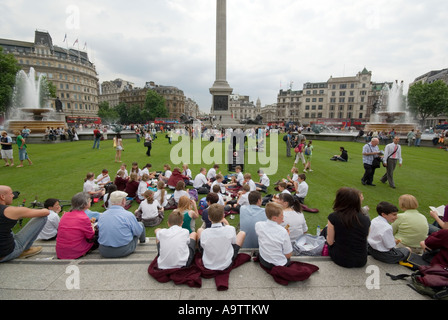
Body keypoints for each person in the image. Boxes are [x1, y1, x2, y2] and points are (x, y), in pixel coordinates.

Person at [0, 185, 49, 262]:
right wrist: (21, 212)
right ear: (2, 197)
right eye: (11, 193)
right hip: (6, 254)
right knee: (42, 217)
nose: (13, 195)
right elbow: (45, 212)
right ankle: (25, 250)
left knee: (5, 226)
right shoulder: (11, 211)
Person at [325, 187, 371, 268]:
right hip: (361, 260)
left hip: (341, 259)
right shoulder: (366, 219)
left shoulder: (334, 216)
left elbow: (330, 242)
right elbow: (365, 238)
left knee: (325, 231)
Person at [197, 203, 246, 271]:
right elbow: (233, 243)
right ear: (223, 216)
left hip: (208, 263)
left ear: (209, 218)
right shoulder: (230, 229)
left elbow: (202, 246)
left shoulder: (205, 233)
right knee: (242, 233)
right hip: (226, 263)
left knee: (199, 230)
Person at [97, 191, 146, 258]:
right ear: (123, 201)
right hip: (123, 250)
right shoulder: (128, 215)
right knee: (140, 225)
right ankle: (143, 242)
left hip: (104, 251)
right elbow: (138, 232)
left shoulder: (102, 215)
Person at [56, 192, 98, 259]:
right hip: (74, 252)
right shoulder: (83, 217)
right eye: (89, 200)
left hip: (61, 252)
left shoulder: (65, 215)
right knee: (98, 237)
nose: (91, 201)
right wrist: (92, 228)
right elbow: (90, 236)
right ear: (84, 204)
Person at [255, 202, 293, 269]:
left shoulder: (258, 225)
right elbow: (288, 255)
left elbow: (269, 235)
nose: (283, 217)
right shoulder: (283, 232)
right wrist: (287, 236)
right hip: (278, 264)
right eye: (281, 215)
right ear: (275, 218)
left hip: (263, 260)